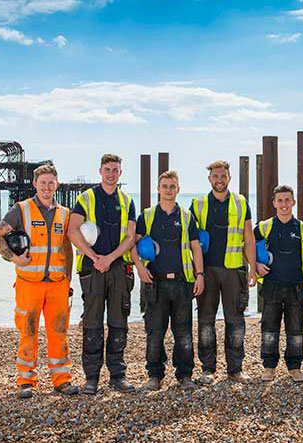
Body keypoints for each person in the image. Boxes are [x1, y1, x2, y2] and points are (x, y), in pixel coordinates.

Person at [0, 164, 79, 398]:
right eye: (43, 183)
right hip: (29, 283)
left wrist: (68, 278)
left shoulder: (65, 214)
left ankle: (62, 380)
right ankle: (26, 381)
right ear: (34, 184)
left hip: (58, 284)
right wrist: (13, 258)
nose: (47, 187)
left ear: (57, 184)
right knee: (28, 331)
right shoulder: (22, 210)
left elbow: (67, 248)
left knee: (59, 332)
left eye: (51, 183)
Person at [67, 154, 137, 395]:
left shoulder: (128, 201)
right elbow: (73, 231)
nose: (111, 173)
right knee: (93, 323)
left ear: (120, 173)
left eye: (115, 170)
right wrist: (95, 257)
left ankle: (118, 375)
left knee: (119, 323)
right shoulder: (86, 198)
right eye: (107, 169)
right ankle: (92, 377)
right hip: (91, 268)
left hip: (118, 268)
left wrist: (111, 258)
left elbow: (130, 237)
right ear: (100, 171)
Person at [132, 170, 205, 391]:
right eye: (165, 186)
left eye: (172, 186)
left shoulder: (186, 216)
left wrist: (199, 275)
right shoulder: (147, 216)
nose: (168, 190)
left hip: (182, 283)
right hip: (156, 283)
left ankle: (185, 376)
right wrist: (140, 268)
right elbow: (132, 243)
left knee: (183, 333)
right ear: (158, 189)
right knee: (155, 332)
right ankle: (154, 376)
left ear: (178, 189)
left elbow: (195, 247)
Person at [190, 160, 257, 385]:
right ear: (209, 179)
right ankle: (208, 369)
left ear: (229, 178)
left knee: (235, 321)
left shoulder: (241, 202)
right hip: (207, 270)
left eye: (223, 176)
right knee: (206, 321)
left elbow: (249, 237)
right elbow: (190, 241)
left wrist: (253, 269)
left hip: (234, 270)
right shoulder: (197, 204)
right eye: (215, 176)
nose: (219, 180)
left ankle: (235, 369)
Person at [255, 185, 303, 383]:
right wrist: (255, 264)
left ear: (293, 202)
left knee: (295, 329)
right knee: (269, 329)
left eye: (287, 200)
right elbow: (248, 245)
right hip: (271, 286)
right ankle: (269, 367)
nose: (284, 204)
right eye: (280, 200)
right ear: (274, 203)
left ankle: (295, 367)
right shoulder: (264, 226)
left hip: (295, 286)